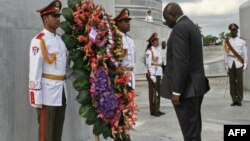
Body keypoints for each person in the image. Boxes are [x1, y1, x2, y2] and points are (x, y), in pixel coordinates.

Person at [161, 3, 210, 141]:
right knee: (194, 129)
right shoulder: (191, 26)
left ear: (172, 14)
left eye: (166, 18)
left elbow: (180, 61)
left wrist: (176, 91)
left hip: (187, 90)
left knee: (190, 132)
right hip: (195, 86)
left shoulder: (179, 28)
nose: (166, 22)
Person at [28, 1, 68, 140]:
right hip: (47, 94)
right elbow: (34, 70)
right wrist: (35, 97)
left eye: (58, 15)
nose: (58, 18)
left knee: (57, 132)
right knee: (46, 134)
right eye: (54, 15)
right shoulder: (39, 41)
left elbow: (64, 68)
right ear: (45, 18)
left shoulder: (61, 40)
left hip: (61, 92)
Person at [113, 8, 135, 141]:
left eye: (128, 20)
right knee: (119, 111)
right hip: (121, 79)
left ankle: (126, 134)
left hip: (130, 77)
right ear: (118, 23)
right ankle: (120, 137)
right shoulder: (116, 39)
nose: (128, 23)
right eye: (125, 21)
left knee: (128, 109)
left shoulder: (130, 40)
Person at [224, 23, 248, 106]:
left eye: (234, 30)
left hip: (239, 63)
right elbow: (226, 54)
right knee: (232, 82)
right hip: (231, 63)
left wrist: (245, 64)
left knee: (239, 82)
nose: (233, 31)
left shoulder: (242, 41)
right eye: (231, 30)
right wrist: (226, 65)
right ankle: (234, 99)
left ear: (237, 30)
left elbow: (245, 53)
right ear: (230, 31)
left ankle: (239, 99)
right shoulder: (227, 41)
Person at [145, 33, 165, 117]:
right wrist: (151, 75)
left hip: (158, 72)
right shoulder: (149, 51)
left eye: (157, 40)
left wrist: (161, 73)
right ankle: (153, 111)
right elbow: (148, 64)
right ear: (152, 42)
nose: (158, 42)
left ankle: (157, 109)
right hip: (153, 73)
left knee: (158, 92)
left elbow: (160, 63)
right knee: (153, 92)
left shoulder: (158, 50)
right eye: (156, 40)